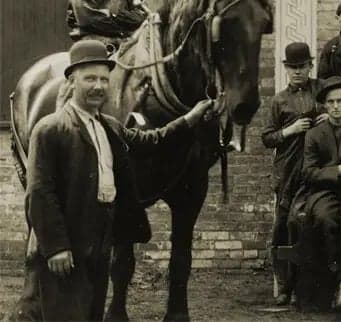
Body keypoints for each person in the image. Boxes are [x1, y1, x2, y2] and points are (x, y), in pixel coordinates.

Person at [19, 40, 211, 321]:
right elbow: (39, 193)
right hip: (69, 244)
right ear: (72, 82)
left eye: (103, 80)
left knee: (93, 313)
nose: (98, 86)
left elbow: (152, 140)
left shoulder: (109, 126)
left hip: (101, 243)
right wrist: (56, 247)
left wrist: (189, 119)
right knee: (65, 314)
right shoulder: (50, 129)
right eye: (89, 79)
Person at [292, 76, 341, 311]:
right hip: (323, 192)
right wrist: (340, 170)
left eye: (340, 101)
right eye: (330, 102)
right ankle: (332, 283)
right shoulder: (314, 134)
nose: (335, 106)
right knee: (325, 219)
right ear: (325, 105)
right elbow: (308, 173)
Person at [261, 42, 324, 304]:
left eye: (302, 67)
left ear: (310, 66)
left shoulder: (321, 90)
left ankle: (308, 285)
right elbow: (267, 138)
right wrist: (291, 130)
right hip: (287, 169)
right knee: (283, 226)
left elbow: (339, 106)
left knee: (310, 223)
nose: (298, 72)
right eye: (293, 67)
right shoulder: (279, 100)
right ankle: (285, 286)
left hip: (316, 167)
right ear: (286, 69)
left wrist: (325, 119)